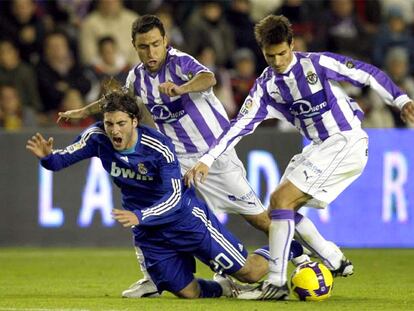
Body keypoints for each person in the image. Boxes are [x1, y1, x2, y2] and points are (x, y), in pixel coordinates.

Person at [185, 15, 414, 300]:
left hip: (345, 140)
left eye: (283, 53)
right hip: (319, 146)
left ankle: (277, 284)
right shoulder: (265, 88)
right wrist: (208, 158)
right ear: (262, 52)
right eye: (271, 56)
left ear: (292, 45)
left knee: (282, 201)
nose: (278, 61)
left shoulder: (316, 64)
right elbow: (237, 127)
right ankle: (333, 257)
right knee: (281, 212)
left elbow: (366, 73)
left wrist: (401, 99)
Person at [57, 14, 273, 298]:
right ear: (135, 46)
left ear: (165, 42)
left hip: (214, 155)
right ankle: (152, 276)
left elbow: (208, 77)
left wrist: (181, 88)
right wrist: (83, 112)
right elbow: (118, 100)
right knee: (148, 197)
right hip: (179, 159)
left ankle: (294, 250)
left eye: (156, 44)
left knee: (257, 218)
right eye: (144, 46)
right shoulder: (137, 76)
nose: (151, 52)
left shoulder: (180, 62)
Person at [25, 89, 305, 299]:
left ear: (134, 121)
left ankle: (289, 245)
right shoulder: (97, 137)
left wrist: (140, 215)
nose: (114, 130)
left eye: (121, 123)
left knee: (250, 272)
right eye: (109, 123)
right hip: (149, 231)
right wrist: (48, 158)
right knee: (188, 293)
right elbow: (62, 160)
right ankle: (222, 287)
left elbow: (173, 199)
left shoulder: (158, 147)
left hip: (185, 220)